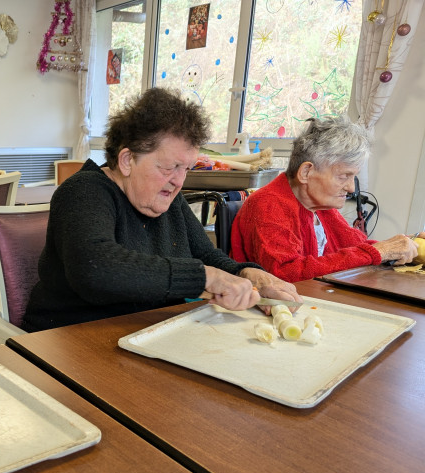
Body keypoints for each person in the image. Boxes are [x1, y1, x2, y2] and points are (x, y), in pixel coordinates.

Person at [21, 87, 301, 332]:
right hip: (68, 341)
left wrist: (247, 275)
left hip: (145, 334)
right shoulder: (84, 191)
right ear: (128, 160)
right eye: (169, 167)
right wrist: (204, 277)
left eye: (186, 169)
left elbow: (205, 255)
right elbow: (95, 269)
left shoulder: (167, 199)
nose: (179, 181)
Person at [231, 116, 418, 282]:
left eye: (353, 177)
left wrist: (405, 244)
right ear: (306, 172)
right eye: (344, 176)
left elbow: (357, 248)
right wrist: (380, 251)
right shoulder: (268, 205)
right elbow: (285, 274)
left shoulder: (319, 206)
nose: (352, 188)